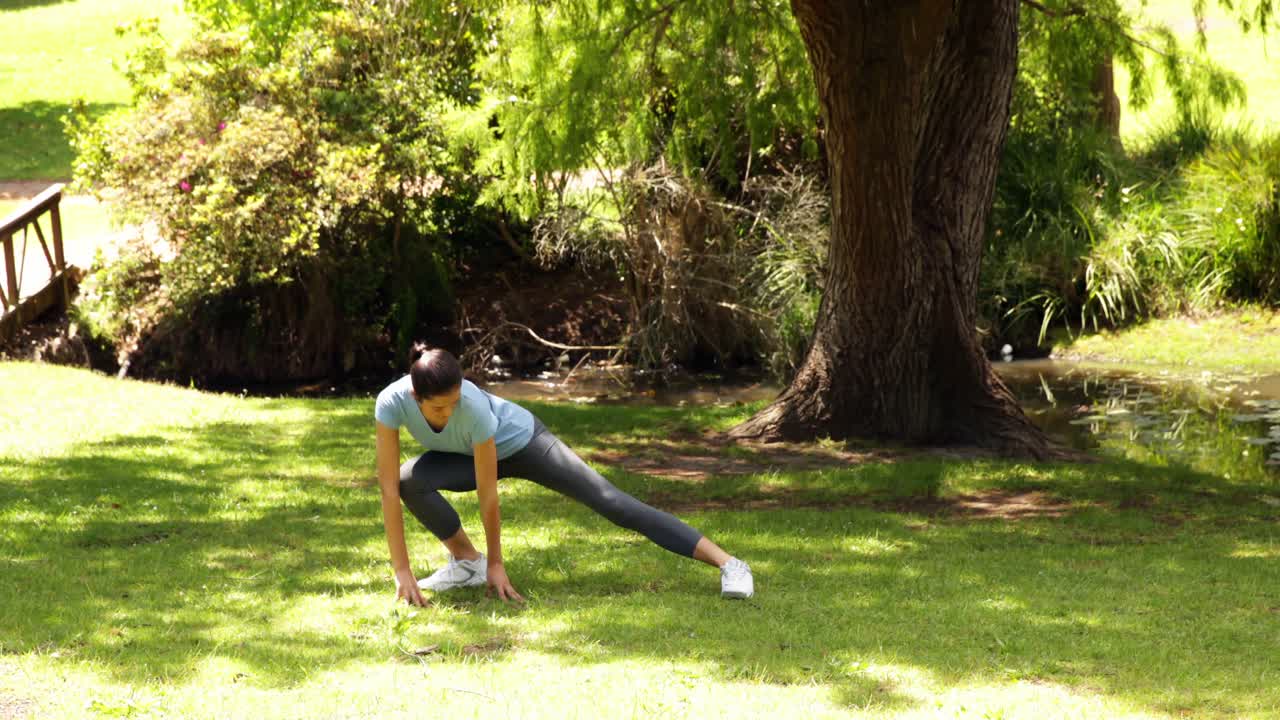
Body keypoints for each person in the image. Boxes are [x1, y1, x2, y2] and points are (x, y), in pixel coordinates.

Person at [374, 343, 755, 605]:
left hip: (524, 442)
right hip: (465, 455)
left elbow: (487, 495)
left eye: (455, 402)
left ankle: (730, 564)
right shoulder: (391, 404)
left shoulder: (470, 406)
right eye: (441, 409)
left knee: (611, 501)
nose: (450, 412)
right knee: (408, 480)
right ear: (416, 399)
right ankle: (466, 563)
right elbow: (389, 491)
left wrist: (498, 563)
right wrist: (402, 570)